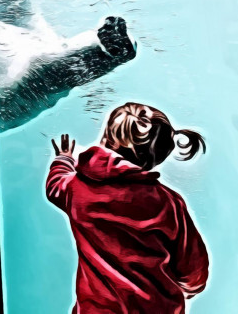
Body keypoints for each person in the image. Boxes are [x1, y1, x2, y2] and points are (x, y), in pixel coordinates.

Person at [45, 102, 209, 314]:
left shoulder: (78, 189)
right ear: (157, 158)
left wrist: (63, 159)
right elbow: (193, 269)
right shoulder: (167, 202)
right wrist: (188, 287)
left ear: (106, 139)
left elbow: (55, 186)